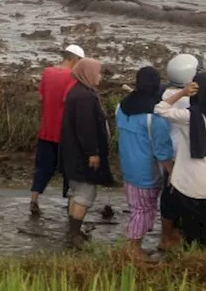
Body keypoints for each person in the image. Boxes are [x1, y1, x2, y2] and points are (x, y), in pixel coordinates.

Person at [154, 72, 206, 251]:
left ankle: (191, 259)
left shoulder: (189, 117)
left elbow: (160, 109)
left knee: (190, 225)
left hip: (190, 178)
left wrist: (182, 93)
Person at [116, 67, 174, 259]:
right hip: (146, 172)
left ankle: (134, 246)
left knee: (136, 208)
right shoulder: (154, 117)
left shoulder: (122, 107)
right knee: (144, 210)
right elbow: (162, 151)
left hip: (128, 167)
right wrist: (172, 172)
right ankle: (133, 248)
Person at [60, 58, 111, 249]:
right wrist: (93, 152)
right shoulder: (85, 97)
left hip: (72, 153)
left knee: (76, 191)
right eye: (97, 72)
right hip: (82, 155)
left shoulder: (78, 92)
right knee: (85, 193)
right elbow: (86, 128)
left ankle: (73, 231)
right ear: (88, 73)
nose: (100, 76)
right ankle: (74, 234)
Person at [30, 44, 83, 216]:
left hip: (46, 129)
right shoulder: (74, 78)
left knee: (43, 167)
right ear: (75, 60)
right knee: (69, 170)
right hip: (66, 133)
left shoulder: (47, 73)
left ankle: (34, 199)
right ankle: (70, 205)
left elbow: (41, 96)